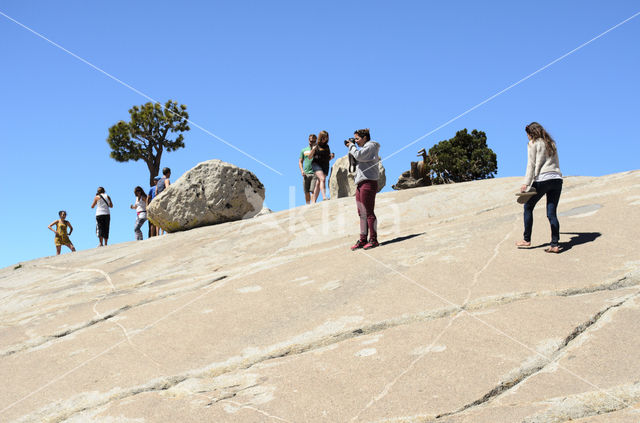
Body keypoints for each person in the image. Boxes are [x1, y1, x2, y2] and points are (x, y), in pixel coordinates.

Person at [516, 122, 563, 253]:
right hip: (557, 180)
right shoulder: (551, 143)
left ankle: (526, 239)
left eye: (527, 134)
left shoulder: (533, 143)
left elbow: (531, 164)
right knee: (551, 213)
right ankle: (555, 244)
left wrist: (526, 183)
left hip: (543, 179)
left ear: (532, 133)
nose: (527, 137)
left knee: (528, 206)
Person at [348, 128, 381, 250]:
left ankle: (373, 239)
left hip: (369, 182)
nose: (355, 141)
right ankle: (363, 239)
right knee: (361, 213)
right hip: (361, 182)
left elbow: (359, 156)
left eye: (357, 139)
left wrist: (351, 146)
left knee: (368, 212)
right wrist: (351, 149)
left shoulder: (371, 147)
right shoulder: (363, 148)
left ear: (365, 138)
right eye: (354, 139)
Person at [309, 131, 334, 202]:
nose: (325, 139)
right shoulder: (316, 145)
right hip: (316, 164)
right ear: (320, 137)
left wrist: (331, 157)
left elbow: (327, 158)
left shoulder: (327, 147)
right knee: (322, 179)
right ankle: (324, 197)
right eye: (323, 138)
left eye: (326, 138)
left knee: (318, 182)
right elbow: (310, 157)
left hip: (325, 165)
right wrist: (313, 149)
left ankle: (313, 201)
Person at [299, 134, 318, 205]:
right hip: (306, 173)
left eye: (313, 140)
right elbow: (300, 161)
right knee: (306, 192)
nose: (311, 142)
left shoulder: (317, 150)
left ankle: (313, 204)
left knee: (313, 190)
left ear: (315, 141)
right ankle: (307, 205)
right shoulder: (304, 150)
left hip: (315, 173)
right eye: (310, 140)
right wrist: (302, 171)